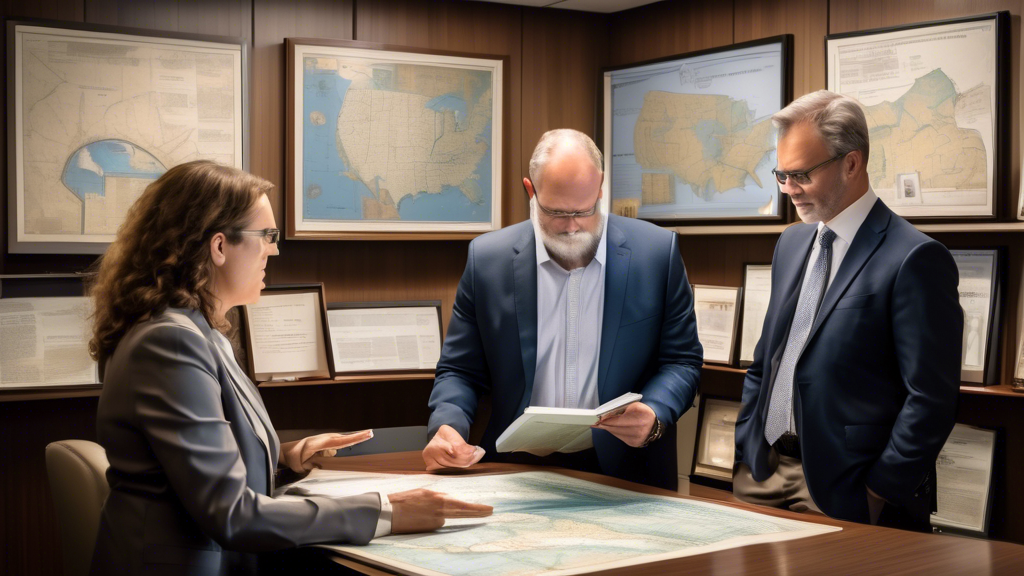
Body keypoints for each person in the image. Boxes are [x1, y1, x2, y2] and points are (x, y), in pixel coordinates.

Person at [88, 161, 491, 575]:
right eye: (266, 236)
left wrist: (287, 457)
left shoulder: (196, 331)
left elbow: (188, 469)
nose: (274, 250)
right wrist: (387, 510)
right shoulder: (171, 342)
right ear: (219, 246)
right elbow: (232, 514)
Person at [422, 129, 703, 490]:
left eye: (584, 211)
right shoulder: (487, 259)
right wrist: (447, 425)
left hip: (627, 469)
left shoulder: (656, 253)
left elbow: (682, 361)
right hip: (516, 469)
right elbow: (460, 369)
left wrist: (654, 411)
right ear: (530, 190)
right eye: (555, 212)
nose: (572, 226)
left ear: (600, 186)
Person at [733, 91, 962, 531]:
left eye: (801, 175)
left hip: (847, 489)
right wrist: (747, 443)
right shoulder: (792, 242)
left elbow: (931, 400)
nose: (788, 190)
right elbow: (767, 361)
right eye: (781, 174)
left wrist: (879, 492)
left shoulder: (915, 258)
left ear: (851, 163)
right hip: (762, 473)